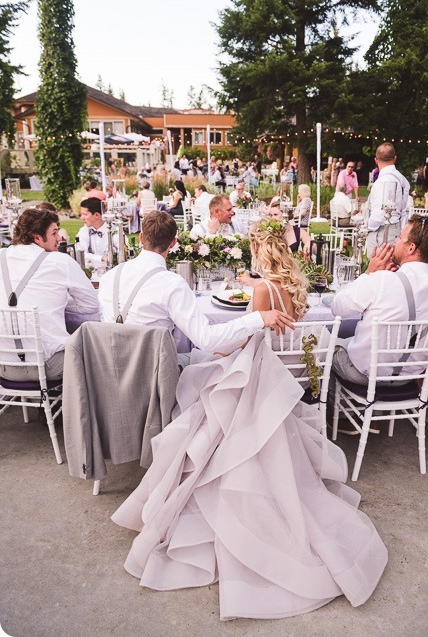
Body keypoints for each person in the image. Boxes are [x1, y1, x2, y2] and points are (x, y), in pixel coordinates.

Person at [110, 215, 387, 621]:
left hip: (251, 381)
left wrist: (242, 315)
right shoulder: (289, 288)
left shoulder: (260, 291)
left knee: (200, 385)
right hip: (277, 383)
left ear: (259, 251)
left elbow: (233, 345)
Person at [98, 211, 294, 358]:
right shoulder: (171, 284)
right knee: (209, 361)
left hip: (107, 373)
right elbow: (206, 340)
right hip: (153, 375)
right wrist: (257, 318)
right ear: (173, 243)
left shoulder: (109, 277)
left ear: (141, 238)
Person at [331, 216, 428, 389]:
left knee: (326, 345)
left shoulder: (383, 280)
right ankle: (376, 410)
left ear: (411, 247)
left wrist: (369, 273)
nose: (395, 241)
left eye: (399, 238)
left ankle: (331, 408)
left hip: (363, 374)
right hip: (409, 377)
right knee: (351, 338)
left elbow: (338, 308)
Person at [0, 209, 100, 381]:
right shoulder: (59, 261)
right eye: (54, 233)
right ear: (36, 237)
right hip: (49, 367)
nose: (59, 238)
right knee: (97, 350)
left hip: (4, 368)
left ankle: (32, 403)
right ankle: (81, 406)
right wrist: (59, 301)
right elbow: (91, 305)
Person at [364, 143, 410, 258]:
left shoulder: (385, 181)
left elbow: (381, 213)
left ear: (376, 159)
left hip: (382, 232)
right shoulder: (401, 179)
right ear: (395, 158)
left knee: (377, 270)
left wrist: (367, 226)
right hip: (395, 228)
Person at [76, 197, 118, 267]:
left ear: (96, 215)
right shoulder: (84, 231)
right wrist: (102, 258)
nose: (82, 218)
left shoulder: (114, 230)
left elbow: (123, 252)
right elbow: (81, 254)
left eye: (85, 214)